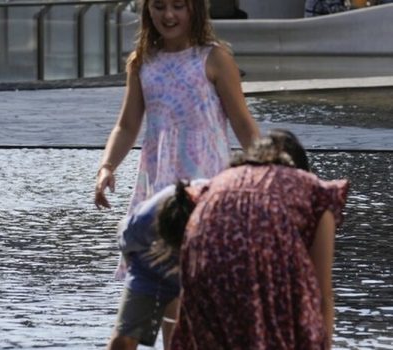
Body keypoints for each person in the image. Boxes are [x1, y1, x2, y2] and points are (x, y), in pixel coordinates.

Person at [92, 0, 260, 348]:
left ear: (195, 10)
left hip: (206, 196)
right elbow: (126, 125)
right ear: (147, 11)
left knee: (182, 308)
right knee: (158, 310)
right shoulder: (142, 62)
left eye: (179, 7)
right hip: (159, 200)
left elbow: (243, 125)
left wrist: (273, 175)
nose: (169, 15)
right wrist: (107, 166)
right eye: (159, 7)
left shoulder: (214, 59)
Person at [157, 130, 347, 349]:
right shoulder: (315, 190)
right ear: (300, 167)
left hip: (201, 252)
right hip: (255, 255)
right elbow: (322, 295)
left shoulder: (221, 180)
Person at [113, 178, 208, 349]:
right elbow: (128, 252)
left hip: (205, 263)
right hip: (151, 262)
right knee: (122, 340)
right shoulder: (143, 221)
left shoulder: (221, 216)